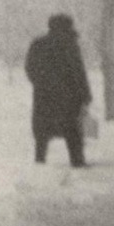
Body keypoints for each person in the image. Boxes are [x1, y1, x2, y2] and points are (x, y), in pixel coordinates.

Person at [25, 13, 92, 168]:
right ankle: (77, 161)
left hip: (44, 95)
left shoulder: (38, 44)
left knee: (42, 132)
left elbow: (30, 68)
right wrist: (85, 94)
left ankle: (39, 161)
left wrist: (40, 83)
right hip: (69, 96)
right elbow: (79, 71)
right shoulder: (70, 44)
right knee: (72, 131)